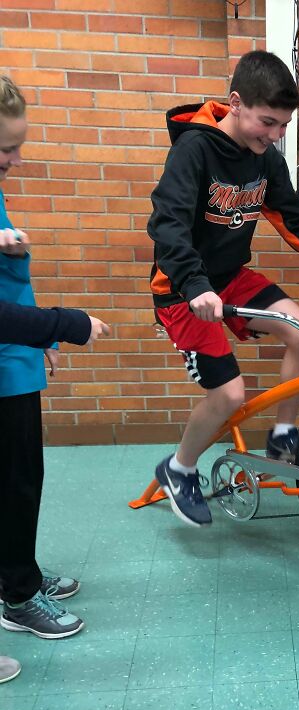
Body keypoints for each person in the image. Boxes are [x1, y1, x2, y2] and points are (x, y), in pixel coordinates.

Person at [148, 50, 299, 527]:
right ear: (235, 104)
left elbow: (296, 223)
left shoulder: (264, 160)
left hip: (230, 280)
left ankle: (284, 432)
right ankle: (180, 468)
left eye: (283, 126)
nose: (274, 136)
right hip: (183, 290)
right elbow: (167, 226)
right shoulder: (194, 150)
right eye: (267, 122)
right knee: (228, 395)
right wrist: (194, 285)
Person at [0, 75, 109, 643]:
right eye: (4, 151)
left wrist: (38, 337)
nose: (15, 160)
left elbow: (9, 284)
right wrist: (65, 325)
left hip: (13, 356)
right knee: (14, 482)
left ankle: (21, 573)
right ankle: (17, 596)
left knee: (23, 477)